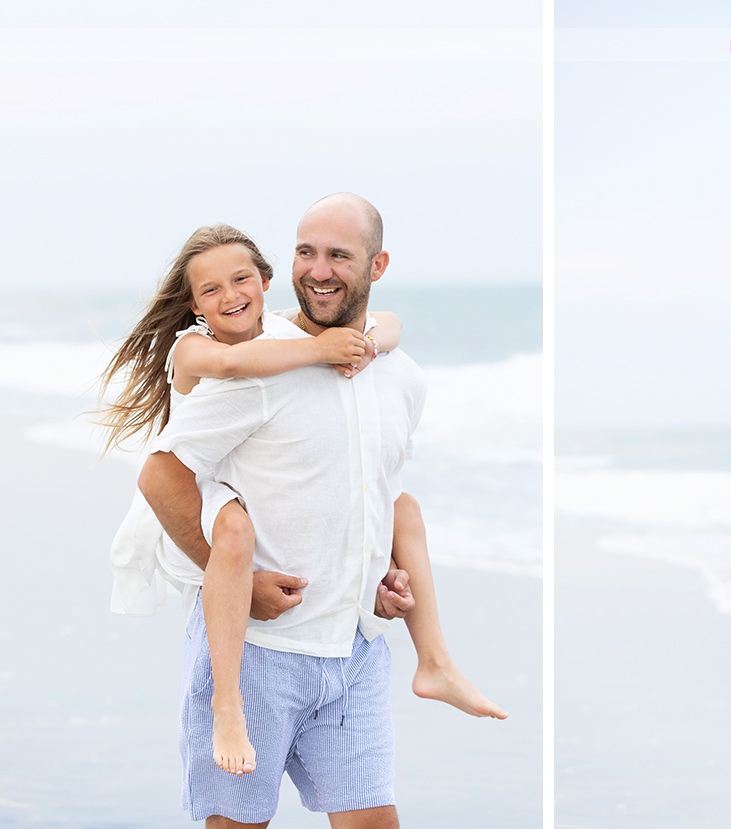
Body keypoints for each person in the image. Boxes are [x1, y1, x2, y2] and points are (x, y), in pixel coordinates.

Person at [128, 194, 475, 827]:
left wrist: (381, 579)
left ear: (377, 265)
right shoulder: (258, 367)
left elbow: (369, 497)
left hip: (354, 654)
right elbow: (160, 472)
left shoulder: (401, 377)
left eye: (339, 255)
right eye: (306, 252)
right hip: (257, 653)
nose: (318, 269)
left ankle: (436, 662)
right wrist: (232, 578)